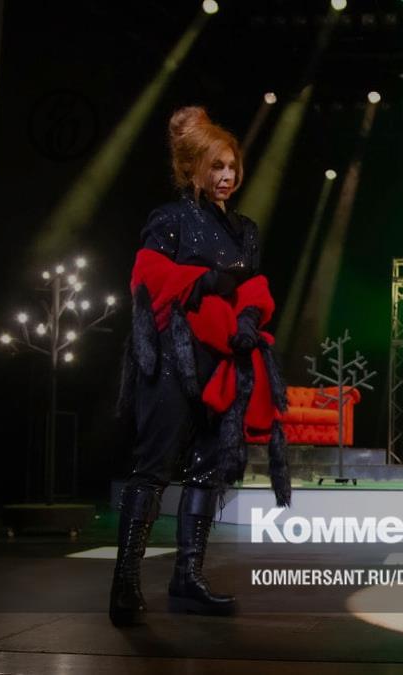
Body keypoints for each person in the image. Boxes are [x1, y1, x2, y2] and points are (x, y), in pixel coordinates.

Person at [109, 106, 291, 627]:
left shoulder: (246, 229)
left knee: (209, 468)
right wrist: (203, 281)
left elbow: (255, 286)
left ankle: (188, 578)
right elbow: (146, 276)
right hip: (175, 354)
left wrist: (250, 316)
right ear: (193, 168)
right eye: (217, 166)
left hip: (225, 359)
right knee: (153, 466)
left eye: (232, 166)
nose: (227, 175)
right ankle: (125, 581)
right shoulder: (170, 219)